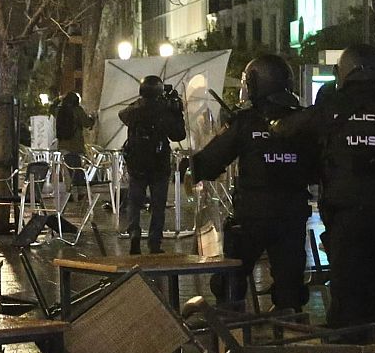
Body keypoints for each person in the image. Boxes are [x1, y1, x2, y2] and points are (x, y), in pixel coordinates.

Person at [274, 43, 375, 342]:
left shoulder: (330, 109)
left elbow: (285, 129)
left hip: (346, 219)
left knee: (347, 292)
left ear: (341, 73)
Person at [191, 55, 315, 311]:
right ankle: (291, 328)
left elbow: (210, 162)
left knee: (230, 278)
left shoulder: (246, 121)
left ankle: (233, 325)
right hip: (292, 215)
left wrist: (191, 167)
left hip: (252, 216)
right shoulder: (303, 121)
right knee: (290, 285)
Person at [118, 76, 185, 254]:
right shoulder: (164, 110)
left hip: (137, 163)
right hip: (159, 164)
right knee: (158, 204)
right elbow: (179, 135)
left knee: (134, 201)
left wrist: (142, 103)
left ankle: (134, 232)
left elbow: (122, 114)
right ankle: (154, 242)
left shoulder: (134, 110)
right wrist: (177, 111)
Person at [54, 91, 95, 187]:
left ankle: (70, 190)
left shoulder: (59, 110)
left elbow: (52, 107)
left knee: (68, 172)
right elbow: (87, 123)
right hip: (75, 146)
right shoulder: (77, 110)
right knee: (77, 172)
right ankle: (78, 191)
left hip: (63, 145)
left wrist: (59, 98)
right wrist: (93, 118)